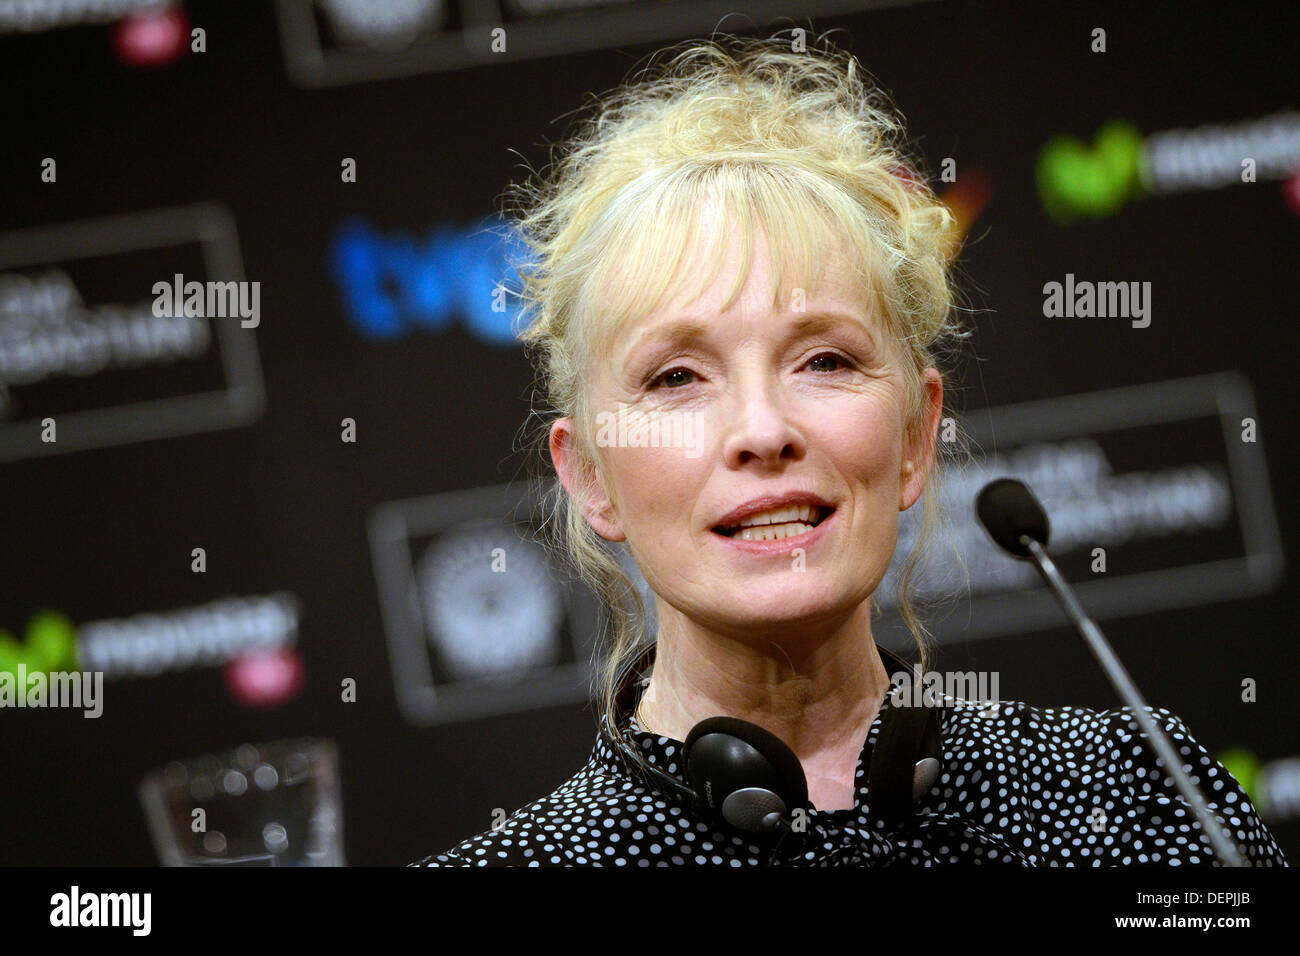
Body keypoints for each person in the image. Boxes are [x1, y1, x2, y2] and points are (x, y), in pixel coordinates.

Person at [411, 33, 1287, 866]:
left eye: (824, 360)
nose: (763, 430)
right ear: (590, 476)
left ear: (914, 436)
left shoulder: (1135, 796)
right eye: (678, 378)